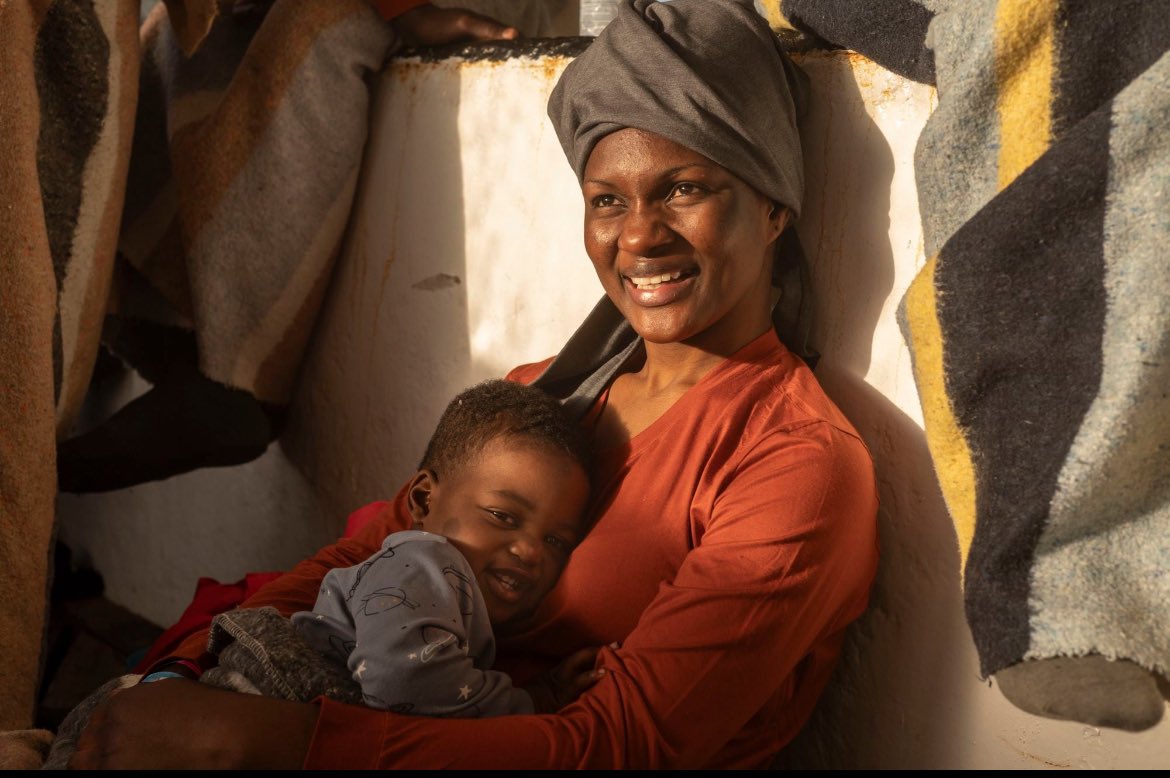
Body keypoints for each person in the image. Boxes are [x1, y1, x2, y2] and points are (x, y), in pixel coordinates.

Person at [69, 0, 880, 769]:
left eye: (684, 188)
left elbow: (621, 746)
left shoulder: (792, 465)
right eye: (607, 200)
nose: (638, 234)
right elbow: (366, 555)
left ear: (775, 206)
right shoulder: (545, 396)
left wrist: (269, 743)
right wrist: (184, 677)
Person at [40, 379, 599, 769]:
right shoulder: (425, 564)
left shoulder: (457, 593)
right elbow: (411, 683)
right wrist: (537, 701)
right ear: (423, 498)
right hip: (244, 700)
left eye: (556, 541)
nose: (529, 550)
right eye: (503, 517)